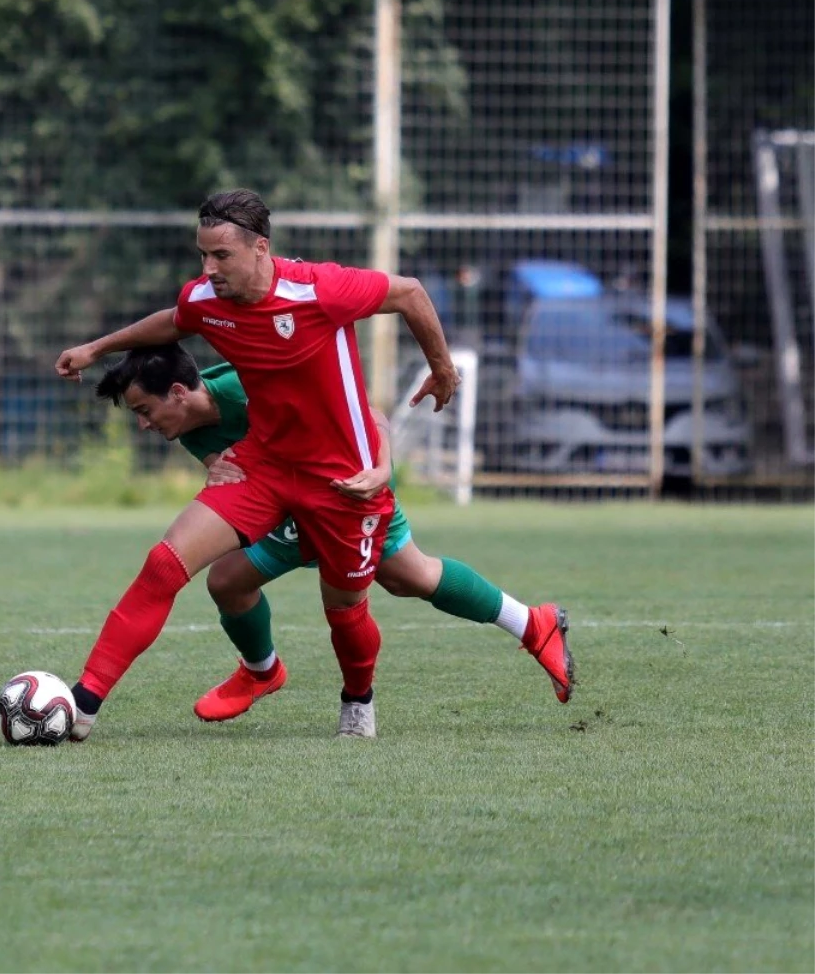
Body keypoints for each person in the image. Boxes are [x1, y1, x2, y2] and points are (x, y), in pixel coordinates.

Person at [55, 188, 573, 741]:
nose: (208, 269)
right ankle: (84, 705)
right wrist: (95, 349)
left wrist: (442, 372)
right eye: (202, 255)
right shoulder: (208, 301)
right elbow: (175, 319)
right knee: (168, 564)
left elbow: (410, 293)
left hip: (344, 481)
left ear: (261, 248)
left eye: (220, 256)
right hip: (269, 469)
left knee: (363, 598)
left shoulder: (320, 289)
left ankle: (360, 698)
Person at [94, 343, 573, 727]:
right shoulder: (188, 427)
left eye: (144, 409)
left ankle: (532, 624)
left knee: (410, 577)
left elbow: (369, 414)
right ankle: (262, 672)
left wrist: (381, 467)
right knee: (227, 581)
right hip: (291, 504)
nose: (142, 424)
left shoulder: (248, 385)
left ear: (178, 392)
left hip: (350, 486)